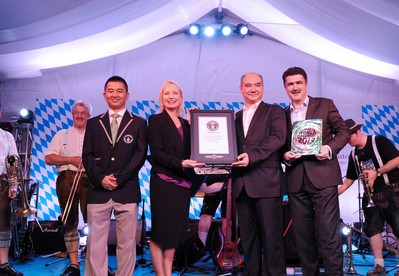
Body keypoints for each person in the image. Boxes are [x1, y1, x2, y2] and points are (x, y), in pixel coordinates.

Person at [282, 66, 350, 275]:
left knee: (329, 235)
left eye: (298, 82)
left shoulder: (325, 104)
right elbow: (279, 145)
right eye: (290, 84)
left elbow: (344, 131)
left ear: (306, 84)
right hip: (295, 180)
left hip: (323, 178)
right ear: (285, 87)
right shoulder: (282, 114)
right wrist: (284, 155)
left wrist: (329, 148)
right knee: (303, 238)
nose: (295, 87)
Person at [82, 76, 148, 276]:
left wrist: (119, 178)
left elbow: (140, 155)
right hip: (97, 190)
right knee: (95, 243)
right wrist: (101, 178)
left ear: (127, 95)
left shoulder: (139, 123)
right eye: (110, 91)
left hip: (127, 190)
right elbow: (87, 155)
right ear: (104, 95)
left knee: (127, 243)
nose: (115, 94)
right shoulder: (93, 123)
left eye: (119, 91)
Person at [231, 72, 287, 276]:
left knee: (272, 241)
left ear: (263, 87)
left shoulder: (275, 111)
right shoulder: (234, 117)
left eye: (257, 85)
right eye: (248, 85)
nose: (253, 89)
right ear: (241, 89)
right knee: (248, 242)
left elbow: (278, 139)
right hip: (242, 185)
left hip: (267, 185)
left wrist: (251, 156)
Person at [147, 80, 205, 276]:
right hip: (163, 182)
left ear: (181, 98)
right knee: (159, 234)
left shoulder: (187, 124)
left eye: (175, 93)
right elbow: (157, 152)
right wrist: (181, 163)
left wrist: (195, 123)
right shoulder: (155, 120)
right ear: (161, 98)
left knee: (174, 235)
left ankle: (167, 272)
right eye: (166, 93)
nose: (171, 96)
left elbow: (196, 150)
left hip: (183, 184)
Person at [339, 119, 399, 276]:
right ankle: (379, 266)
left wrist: (377, 172)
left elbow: (397, 159)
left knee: (398, 228)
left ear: (356, 132)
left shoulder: (378, 141)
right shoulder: (354, 154)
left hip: (392, 191)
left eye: (347, 138)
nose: (346, 142)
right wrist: (334, 193)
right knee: (373, 230)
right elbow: (349, 180)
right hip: (371, 195)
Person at [45, 101, 91, 276]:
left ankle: (96, 263)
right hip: (67, 179)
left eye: (83, 113)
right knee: (70, 223)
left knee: (94, 223)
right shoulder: (61, 134)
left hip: (89, 180)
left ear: (88, 116)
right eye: (76, 113)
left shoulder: (94, 135)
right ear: (72, 115)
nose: (79, 115)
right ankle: (74, 265)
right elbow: (48, 158)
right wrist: (70, 160)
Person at [0, 102, 23, 276]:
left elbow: (12, 161)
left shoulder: (7, 136)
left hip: (2, 182)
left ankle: (3, 264)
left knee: (4, 222)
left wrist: (13, 184)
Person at [197, 175, 228, 248]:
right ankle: (201, 248)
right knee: (206, 214)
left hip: (230, 176)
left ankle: (227, 247)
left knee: (227, 216)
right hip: (213, 175)